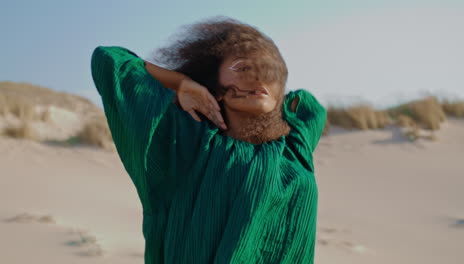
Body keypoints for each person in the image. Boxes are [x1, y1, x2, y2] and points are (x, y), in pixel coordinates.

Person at [91, 16, 327, 264]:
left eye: (269, 71)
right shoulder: (188, 141)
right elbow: (108, 60)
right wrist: (182, 83)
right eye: (243, 68)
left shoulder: (294, 144)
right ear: (214, 82)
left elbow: (308, 104)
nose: (258, 78)